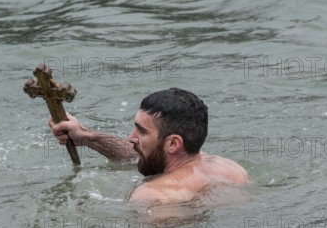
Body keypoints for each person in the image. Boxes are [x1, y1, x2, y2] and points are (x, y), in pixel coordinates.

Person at [48, 88, 249, 205]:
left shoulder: (154, 196)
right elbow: (138, 155)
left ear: (173, 143)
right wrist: (86, 136)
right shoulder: (229, 169)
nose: (131, 138)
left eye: (141, 131)